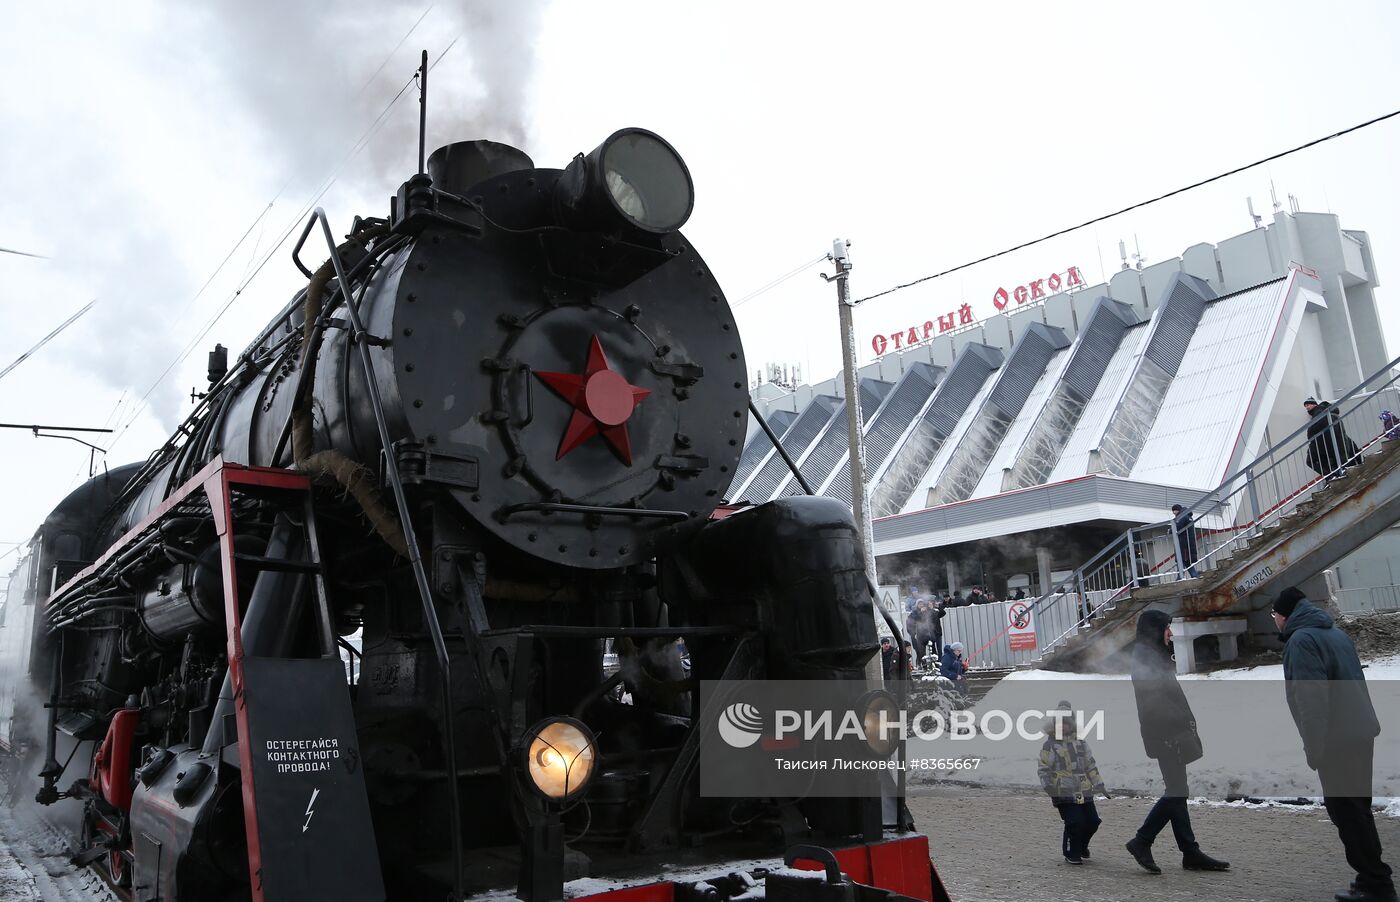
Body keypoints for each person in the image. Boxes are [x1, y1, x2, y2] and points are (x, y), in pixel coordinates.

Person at [1272, 587, 1395, 902]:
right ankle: (1370, 877)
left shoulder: (1301, 641)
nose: (1274, 621)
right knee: (1358, 810)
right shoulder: (1335, 635)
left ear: (1284, 615)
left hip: (1336, 740)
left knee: (1347, 813)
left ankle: (1377, 885)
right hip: (1359, 733)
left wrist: (1314, 748)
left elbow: (1311, 700)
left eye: (1274, 615)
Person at [1124, 609, 1230, 875]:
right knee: (1176, 792)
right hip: (1166, 735)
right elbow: (1153, 703)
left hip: (1168, 734)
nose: (1170, 633)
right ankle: (1142, 840)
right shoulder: (1145, 658)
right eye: (1166, 628)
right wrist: (1179, 724)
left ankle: (1190, 852)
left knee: (1178, 791)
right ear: (1154, 630)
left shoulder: (1153, 656)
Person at [1039, 700, 1109, 865]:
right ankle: (1072, 852)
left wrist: (1098, 783)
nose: (1062, 727)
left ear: (1071, 724)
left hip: (1084, 788)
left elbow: (1090, 765)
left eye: (1066, 723)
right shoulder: (1050, 745)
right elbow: (1043, 768)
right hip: (1063, 790)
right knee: (1075, 822)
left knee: (1092, 821)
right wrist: (1049, 786)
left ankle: (1082, 845)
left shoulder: (1081, 744)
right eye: (1059, 723)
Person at [1305, 397, 1361, 480]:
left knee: (1310, 462)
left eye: (1308, 405)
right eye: (1305, 406)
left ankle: (1331, 476)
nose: (1307, 407)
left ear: (1314, 404)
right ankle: (1334, 475)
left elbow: (1315, 430)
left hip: (1328, 444)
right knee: (1343, 460)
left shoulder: (1319, 412)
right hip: (1337, 443)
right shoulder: (1329, 413)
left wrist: (1312, 443)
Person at [1170, 504, 1199, 578]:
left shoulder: (1182, 516)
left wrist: (1170, 530)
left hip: (1183, 544)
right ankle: (1194, 576)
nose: (1174, 512)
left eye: (1174, 510)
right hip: (1187, 543)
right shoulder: (1188, 516)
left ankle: (1180, 578)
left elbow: (1177, 527)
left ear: (1178, 510)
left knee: (1182, 561)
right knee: (1187, 562)